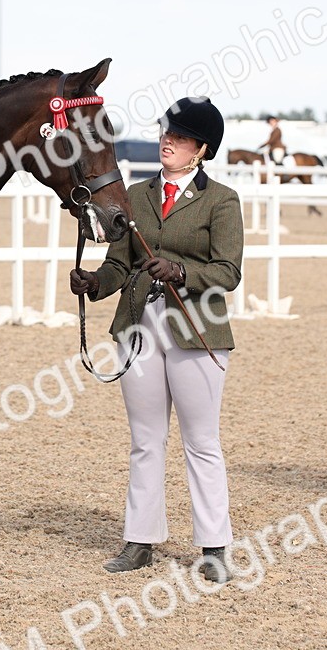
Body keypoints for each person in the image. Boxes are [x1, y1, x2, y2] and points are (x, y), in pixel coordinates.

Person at [70, 96, 244, 582]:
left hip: (197, 330)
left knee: (201, 442)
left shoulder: (222, 200)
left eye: (182, 137)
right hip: (138, 328)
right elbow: (121, 264)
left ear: (201, 150)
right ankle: (139, 540)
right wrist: (95, 284)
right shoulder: (137, 195)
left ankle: (214, 547)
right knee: (146, 440)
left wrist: (181, 270)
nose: (169, 140)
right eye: (167, 132)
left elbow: (228, 271)